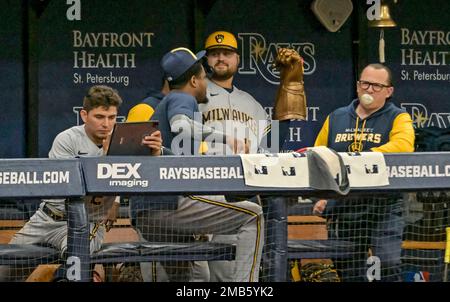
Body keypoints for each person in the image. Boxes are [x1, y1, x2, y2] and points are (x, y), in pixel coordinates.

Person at [0, 85, 162, 282]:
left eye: (111, 117)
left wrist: (155, 154)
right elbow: (68, 188)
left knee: (76, 258)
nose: (106, 124)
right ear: (84, 115)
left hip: (87, 223)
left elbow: (141, 176)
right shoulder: (67, 139)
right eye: (99, 117)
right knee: (5, 271)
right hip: (46, 218)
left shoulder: (123, 143)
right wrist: (106, 156)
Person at [130, 47, 264, 282]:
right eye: (203, 77)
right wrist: (227, 137)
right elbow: (181, 126)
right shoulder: (182, 98)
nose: (206, 83)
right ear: (193, 80)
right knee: (254, 216)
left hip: (150, 211)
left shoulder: (165, 103)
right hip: (168, 204)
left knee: (191, 278)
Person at [313, 63, 415, 281]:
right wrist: (322, 196)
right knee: (347, 268)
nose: (369, 90)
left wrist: (360, 159)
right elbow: (319, 154)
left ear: (389, 91)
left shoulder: (398, 117)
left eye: (377, 86)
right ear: (358, 86)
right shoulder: (337, 117)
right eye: (365, 83)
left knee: (388, 263)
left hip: (384, 205)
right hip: (345, 205)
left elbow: (403, 147)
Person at [200, 30, 307, 155]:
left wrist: (288, 92)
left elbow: (270, 147)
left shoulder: (251, 104)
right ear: (206, 60)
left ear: (237, 59)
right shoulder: (196, 96)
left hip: (247, 171)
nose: (221, 58)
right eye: (215, 54)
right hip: (209, 170)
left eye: (227, 53)